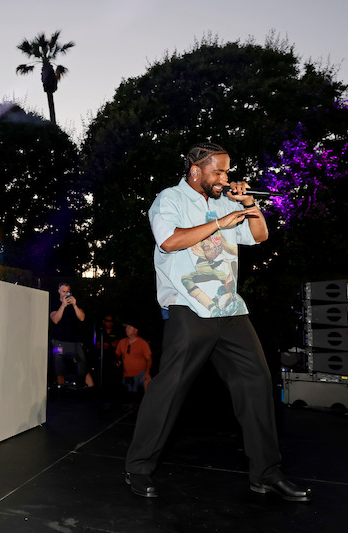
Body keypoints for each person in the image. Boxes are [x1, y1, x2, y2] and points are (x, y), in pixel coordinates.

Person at [124, 142, 311, 502]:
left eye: (227, 171)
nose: (225, 178)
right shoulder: (169, 199)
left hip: (230, 309)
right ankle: (138, 467)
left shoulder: (226, 201)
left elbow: (259, 235)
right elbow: (169, 241)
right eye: (218, 171)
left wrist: (248, 204)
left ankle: (266, 473)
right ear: (196, 170)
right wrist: (218, 223)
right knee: (170, 389)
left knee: (257, 382)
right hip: (188, 307)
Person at [49, 283, 94, 388]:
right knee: (58, 368)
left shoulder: (75, 303)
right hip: (59, 341)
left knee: (82, 366)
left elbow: (82, 318)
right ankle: (61, 390)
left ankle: (92, 390)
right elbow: (55, 319)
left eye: (67, 292)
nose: (65, 294)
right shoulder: (55, 303)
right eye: (63, 291)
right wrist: (63, 305)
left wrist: (74, 305)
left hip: (74, 341)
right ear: (59, 291)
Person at [115, 319, 152, 397]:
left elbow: (149, 359)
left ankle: (149, 402)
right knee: (131, 396)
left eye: (129, 327)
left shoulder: (142, 343)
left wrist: (147, 372)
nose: (126, 329)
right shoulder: (122, 342)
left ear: (135, 330)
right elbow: (117, 354)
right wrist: (117, 360)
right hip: (127, 376)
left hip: (140, 374)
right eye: (126, 327)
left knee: (148, 382)